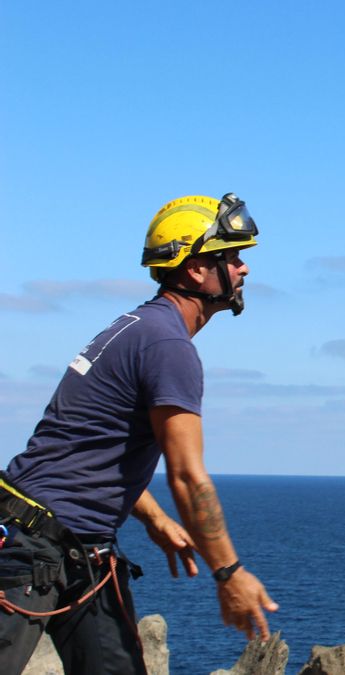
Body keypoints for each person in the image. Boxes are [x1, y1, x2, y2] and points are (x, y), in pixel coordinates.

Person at [0, 193, 278, 674]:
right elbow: (189, 478)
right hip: (33, 549)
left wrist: (152, 519)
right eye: (231, 257)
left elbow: (95, 446)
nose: (243, 269)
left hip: (80, 550)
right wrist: (229, 574)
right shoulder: (168, 345)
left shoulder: (139, 328)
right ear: (194, 269)